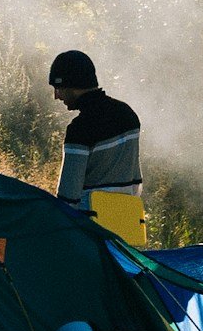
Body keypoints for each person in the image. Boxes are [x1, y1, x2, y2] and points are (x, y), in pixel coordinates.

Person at [49, 50, 145, 245]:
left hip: (92, 234)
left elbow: (68, 198)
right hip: (127, 229)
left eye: (59, 88)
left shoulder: (80, 128)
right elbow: (136, 183)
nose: (56, 96)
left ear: (73, 85)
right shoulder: (128, 115)